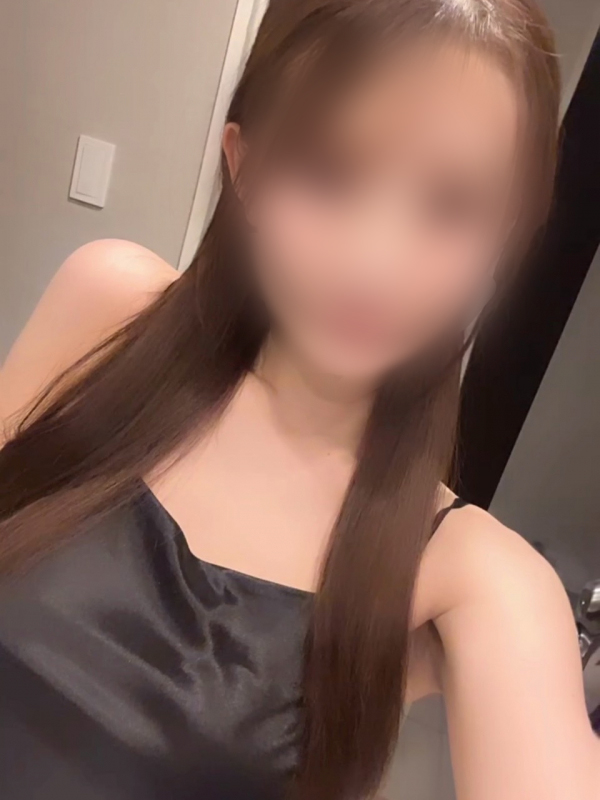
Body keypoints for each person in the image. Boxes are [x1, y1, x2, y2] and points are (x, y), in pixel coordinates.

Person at [0, 1, 597, 798]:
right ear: (245, 168)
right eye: (328, 174)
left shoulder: (469, 574)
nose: (374, 262)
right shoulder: (108, 311)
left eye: (451, 206)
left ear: (506, 231)